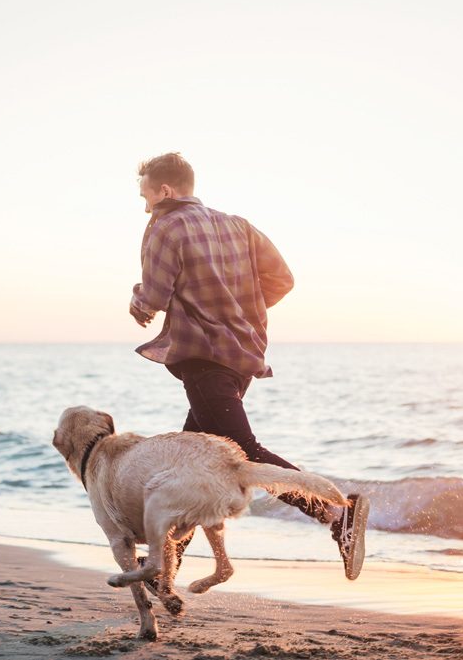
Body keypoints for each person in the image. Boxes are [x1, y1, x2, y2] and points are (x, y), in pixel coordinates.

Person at [129, 152, 369, 580]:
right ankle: (166, 565)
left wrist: (139, 303)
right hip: (242, 354)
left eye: (145, 193)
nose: (144, 202)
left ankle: (339, 514)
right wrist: (238, 310)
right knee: (189, 461)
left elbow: (156, 295)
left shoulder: (165, 225)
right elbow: (283, 280)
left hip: (204, 358)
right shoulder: (238, 224)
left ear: (165, 191)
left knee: (244, 452)